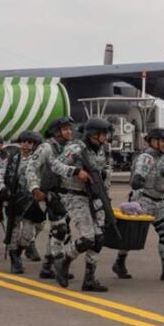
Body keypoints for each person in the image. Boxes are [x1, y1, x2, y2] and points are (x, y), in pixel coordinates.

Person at [113, 128, 164, 282]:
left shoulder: (163, 158)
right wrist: (138, 178)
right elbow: (138, 177)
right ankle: (119, 262)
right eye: (163, 141)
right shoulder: (146, 158)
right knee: (130, 236)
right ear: (153, 141)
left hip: (159, 203)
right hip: (143, 202)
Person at [51, 117, 114, 292]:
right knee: (87, 237)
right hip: (75, 196)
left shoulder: (103, 150)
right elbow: (55, 165)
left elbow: (106, 174)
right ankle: (63, 258)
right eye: (103, 134)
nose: (106, 138)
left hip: (95, 197)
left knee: (99, 238)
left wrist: (105, 195)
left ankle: (89, 279)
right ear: (94, 134)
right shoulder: (75, 148)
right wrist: (76, 171)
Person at [25, 116, 75, 280]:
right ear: (56, 132)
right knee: (59, 229)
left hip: (67, 195)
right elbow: (31, 168)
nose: (69, 131)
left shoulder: (70, 148)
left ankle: (47, 267)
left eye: (70, 128)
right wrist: (35, 189)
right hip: (49, 194)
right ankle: (59, 265)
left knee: (63, 232)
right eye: (65, 129)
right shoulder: (45, 148)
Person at [0, 130, 45, 274]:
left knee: (28, 234)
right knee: (13, 232)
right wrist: (2, 186)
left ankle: (19, 252)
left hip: (31, 201)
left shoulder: (39, 160)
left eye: (30, 142)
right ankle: (14, 261)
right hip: (14, 199)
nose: (26, 145)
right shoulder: (12, 159)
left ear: (35, 145)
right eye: (23, 142)